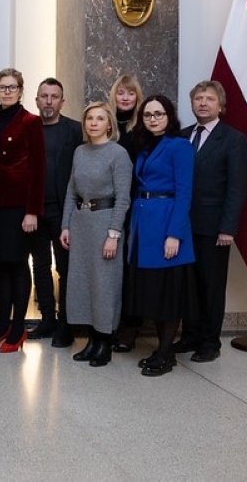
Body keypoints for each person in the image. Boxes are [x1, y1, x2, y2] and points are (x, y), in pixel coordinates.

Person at [173, 81, 247, 363]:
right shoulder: (181, 137)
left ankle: (209, 342)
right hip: (183, 225)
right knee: (187, 284)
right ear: (192, 103)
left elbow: (237, 188)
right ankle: (190, 335)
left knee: (211, 286)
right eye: (198, 98)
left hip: (214, 227)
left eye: (209, 99)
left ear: (220, 105)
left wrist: (228, 227)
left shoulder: (233, 139)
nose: (203, 103)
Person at [125, 95, 196, 377]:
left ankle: (166, 353)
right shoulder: (143, 147)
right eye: (147, 115)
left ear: (169, 116)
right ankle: (161, 350)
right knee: (153, 293)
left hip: (167, 224)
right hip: (144, 227)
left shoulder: (180, 146)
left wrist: (174, 234)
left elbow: (184, 193)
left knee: (167, 294)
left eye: (159, 114)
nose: (153, 119)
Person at [59, 102, 132, 367]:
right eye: (89, 118)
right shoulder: (80, 152)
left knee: (104, 285)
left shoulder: (118, 154)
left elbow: (123, 198)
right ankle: (91, 340)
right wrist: (66, 225)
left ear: (109, 124)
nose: (93, 123)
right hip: (81, 224)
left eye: (100, 118)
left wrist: (113, 234)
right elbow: (71, 192)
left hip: (105, 224)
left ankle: (105, 343)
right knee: (83, 283)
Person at [0, 68, 45, 353]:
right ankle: (2, 323)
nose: (7, 91)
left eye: (13, 87)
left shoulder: (31, 121)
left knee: (17, 263)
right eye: (3, 87)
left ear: (20, 91)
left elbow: (39, 169)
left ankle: (18, 328)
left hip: (19, 206)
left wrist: (32, 211)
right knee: (2, 264)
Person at [27, 78, 83, 347]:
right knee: (39, 266)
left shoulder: (75, 130)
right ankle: (47, 318)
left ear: (62, 101)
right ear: (36, 100)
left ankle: (66, 324)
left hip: (64, 211)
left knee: (65, 267)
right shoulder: (28, 129)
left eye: (54, 96)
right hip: (34, 211)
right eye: (44, 96)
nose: (48, 101)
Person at [109, 73, 145, 352]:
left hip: (135, 205)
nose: (125, 98)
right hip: (106, 206)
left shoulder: (143, 128)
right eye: (121, 92)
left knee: (131, 268)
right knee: (111, 267)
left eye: (130, 93)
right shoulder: (105, 124)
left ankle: (129, 328)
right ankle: (108, 324)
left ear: (137, 97)